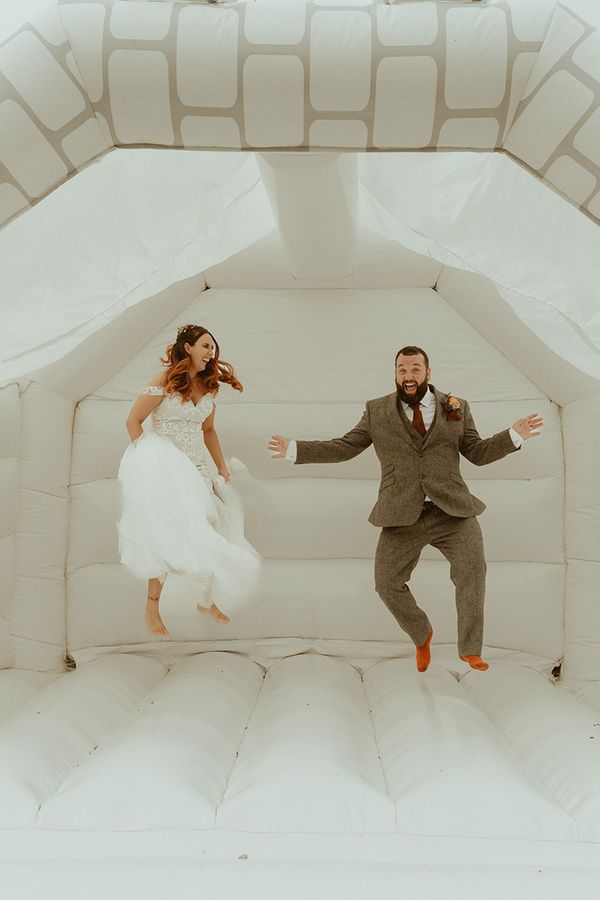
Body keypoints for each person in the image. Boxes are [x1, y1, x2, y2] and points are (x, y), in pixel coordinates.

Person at [268, 346, 543, 672]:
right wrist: (295, 449)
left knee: (473, 573)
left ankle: (470, 649)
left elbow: (477, 452)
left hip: (452, 510)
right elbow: (345, 447)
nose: (408, 376)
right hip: (401, 513)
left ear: (428, 373)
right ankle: (421, 633)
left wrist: (513, 436)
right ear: (395, 373)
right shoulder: (377, 411)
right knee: (386, 583)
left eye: (415, 369)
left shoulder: (455, 406)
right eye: (402, 369)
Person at [119, 323, 259, 637]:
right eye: (206, 346)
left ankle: (205, 600)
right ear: (188, 348)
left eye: (213, 348)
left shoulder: (209, 388)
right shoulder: (163, 382)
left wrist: (221, 467)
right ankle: (152, 605)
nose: (211, 353)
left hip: (196, 468)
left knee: (214, 529)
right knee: (164, 535)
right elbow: (133, 421)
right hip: (165, 471)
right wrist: (148, 464)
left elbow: (208, 431)